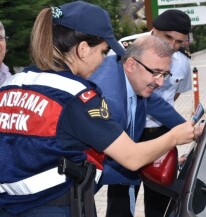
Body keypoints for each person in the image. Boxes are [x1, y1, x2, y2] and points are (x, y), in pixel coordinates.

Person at [0, 2, 194, 216]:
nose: (104, 60)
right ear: (83, 49)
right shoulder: (76, 96)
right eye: (103, 52)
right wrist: (175, 137)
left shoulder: (12, 84)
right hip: (55, 207)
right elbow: (132, 157)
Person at [89, 35, 190, 217]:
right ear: (131, 65)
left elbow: (155, 104)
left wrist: (191, 129)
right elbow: (120, 160)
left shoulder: (134, 77)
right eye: (156, 72)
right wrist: (151, 159)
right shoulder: (111, 103)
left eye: (165, 74)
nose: (160, 82)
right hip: (75, 183)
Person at [141, 9, 193, 217]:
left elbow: (177, 94)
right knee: (121, 199)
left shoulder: (182, 62)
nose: (172, 46)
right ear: (154, 31)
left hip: (163, 134)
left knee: (159, 201)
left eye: (179, 41)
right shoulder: (128, 51)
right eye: (167, 37)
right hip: (128, 134)